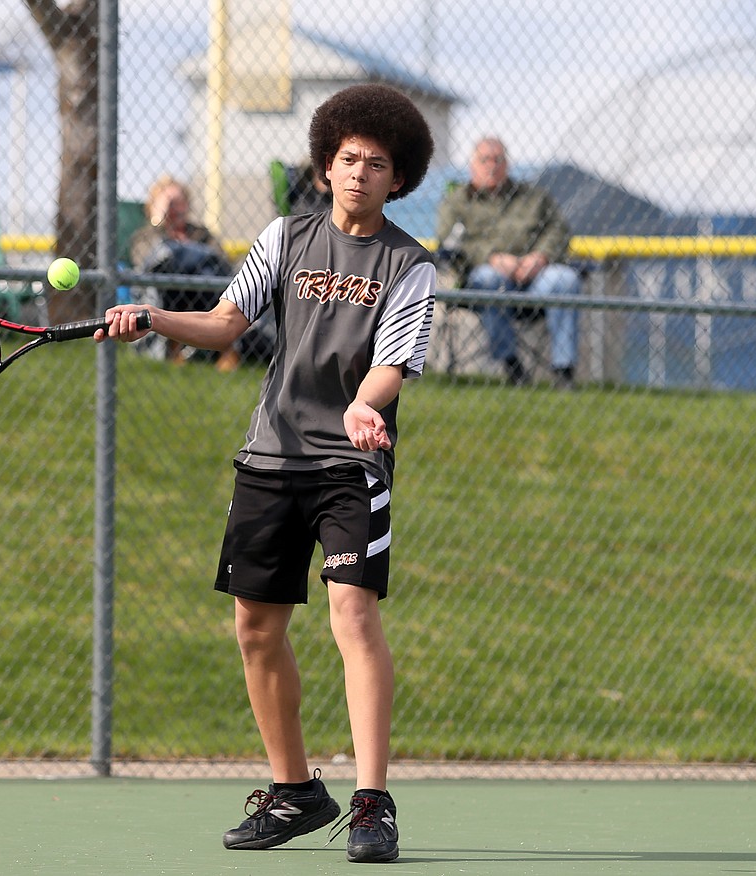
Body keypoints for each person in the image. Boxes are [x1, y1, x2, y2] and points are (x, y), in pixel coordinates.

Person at [99, 83, 435, 865]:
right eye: (348, 158)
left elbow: (394, 362)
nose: (359, 173)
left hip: (351, 461)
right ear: (325, 164)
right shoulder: (286, 237)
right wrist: (150, 316)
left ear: (398, 178)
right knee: (255, 627)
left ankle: (373, 805)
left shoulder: (408, 264)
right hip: (271, 456)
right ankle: (293, 793)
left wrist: (363, 406)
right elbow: (225, 321)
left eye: (377, 163)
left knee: (352, 614)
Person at [435, 136, 580, 388]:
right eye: (485, 160)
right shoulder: (457, 201)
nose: (492, 165)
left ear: (507, 164)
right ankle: (513, 366)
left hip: (535, 278)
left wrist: (539, 257)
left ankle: (563, 370)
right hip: (487, 280)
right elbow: (449, 242)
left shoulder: (534, 196)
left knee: (565, 279)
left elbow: (559, 230)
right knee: (490, 278)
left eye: (498, 159)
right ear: (472, 165)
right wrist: (492, 258)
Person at [128, 175, 238, 369]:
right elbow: (145, 263)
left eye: (179, 202)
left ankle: (227, 349)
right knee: (167, 261)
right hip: (166, 292)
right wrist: (160, 223)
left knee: (208, 274)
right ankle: (173, 347)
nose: (174, 208)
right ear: (154, 206)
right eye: (168, 202)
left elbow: (221, 261)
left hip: (203, 290)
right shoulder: (145, 236)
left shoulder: (201, 233)